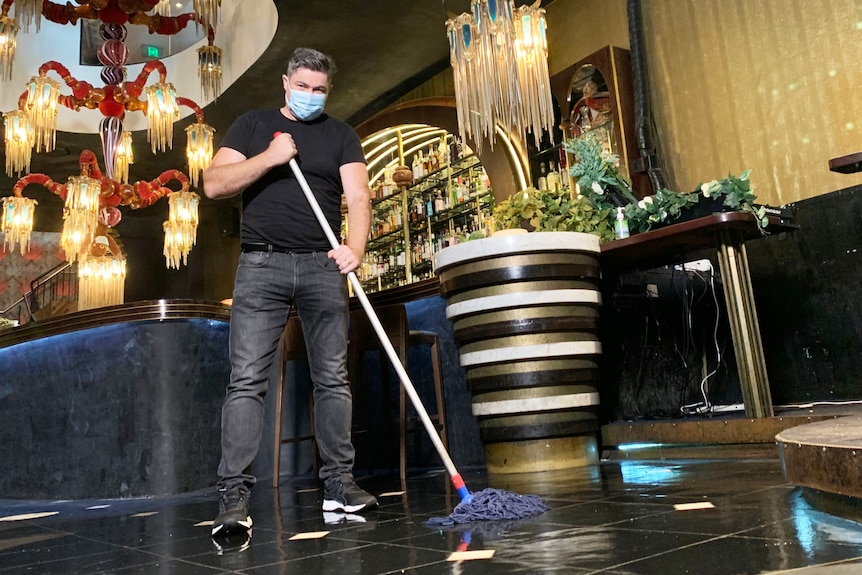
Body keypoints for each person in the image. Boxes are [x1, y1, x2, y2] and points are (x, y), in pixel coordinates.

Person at [203, 47, 376, 538]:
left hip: (324, 267)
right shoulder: (254, 126)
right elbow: (214, 184)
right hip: (261, 264)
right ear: (285, 83)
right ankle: (234, 497)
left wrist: (355, 248)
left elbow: (358, 196)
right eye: (302, 86)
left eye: (319, 89)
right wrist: (271, 158)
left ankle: (340, 487)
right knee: (247, 381)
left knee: (333, 379)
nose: (311, 95)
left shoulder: (341, 135)